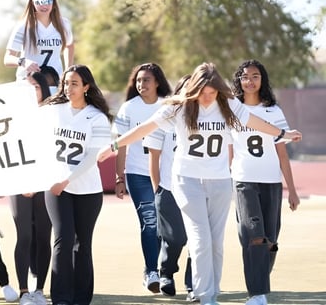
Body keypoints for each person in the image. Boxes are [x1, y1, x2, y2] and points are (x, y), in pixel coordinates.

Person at [97, 62, 302, 305]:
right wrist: (114, 145)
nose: (207, 98)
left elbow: (255, 122)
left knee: (216, 242)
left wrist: (283, 134)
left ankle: (211, 292)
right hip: (188, 181)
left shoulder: (228, 105)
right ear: (194, 88)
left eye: (212, 93)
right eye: (203, 92)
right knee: (200, 239)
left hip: (220, 182)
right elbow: (145, 128)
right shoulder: (179, 107)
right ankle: (205, 297)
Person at [230, 60, 300, 305]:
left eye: (255, 76)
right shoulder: (233, 110)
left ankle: (259, 280)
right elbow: (229, 150)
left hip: (271, 182)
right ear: (239, 80)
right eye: (245, 76)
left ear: (263, 80)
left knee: (270, 240)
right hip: (243, 181)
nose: (250, 81)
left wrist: (292, 190)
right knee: (254, 236)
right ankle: (257, 294)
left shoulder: (274, 111)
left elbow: (282, 153)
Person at [41, 64, 112, 305]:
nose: (68, 88)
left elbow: (93, 157)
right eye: (65, 83)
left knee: (83, 244)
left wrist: (66, 180)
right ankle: (60, 298)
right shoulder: (52, 110)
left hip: (88, 190)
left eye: (74, 83)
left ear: (86, 87)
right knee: (62, 238)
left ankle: (81, 298)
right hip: (56, 188)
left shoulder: (97, 117)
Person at [112, 62, 172, 293]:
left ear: (157, 82)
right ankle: (151, 271)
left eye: (146, 80)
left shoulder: (168, 107)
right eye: (138, 80)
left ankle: (166, 271)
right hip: (138, 175)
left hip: (166, 175)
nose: (141, 84)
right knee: (149, 223)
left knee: (166, 227)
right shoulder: (128, 108)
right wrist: (119, 178)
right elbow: (122, 145)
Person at [142, 75, 194, 299]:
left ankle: (193, 283)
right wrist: (158, 189)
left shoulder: (206, 119)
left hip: (198, 189)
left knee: (197, 239)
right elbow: (154, 158)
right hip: (168, 189)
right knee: (176, 238)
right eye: (185, 89)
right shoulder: (165, 117)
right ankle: (166, 272)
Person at [9, 71, 53, 305]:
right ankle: (24, 291)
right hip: (19, 182)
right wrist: (24, 181)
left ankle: (40, 289)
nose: (31, 92)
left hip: (45, 183)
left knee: (44, 236)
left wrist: (39, 181)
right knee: (24, 235)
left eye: (35, 87)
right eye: (26, 88)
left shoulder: (53, 114)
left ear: (44, 89)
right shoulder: (12, 116)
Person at [4, 0, 74, 81]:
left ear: (53, 2)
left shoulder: (64, 24)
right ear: (32, 3)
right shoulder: (23, 26)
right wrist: (23, 62)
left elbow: (69, 45)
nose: (44, 5)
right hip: (28, 83)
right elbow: (8, 58)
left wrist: (67, 70)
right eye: (39, 2)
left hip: (54, 83)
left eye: (48, 1)